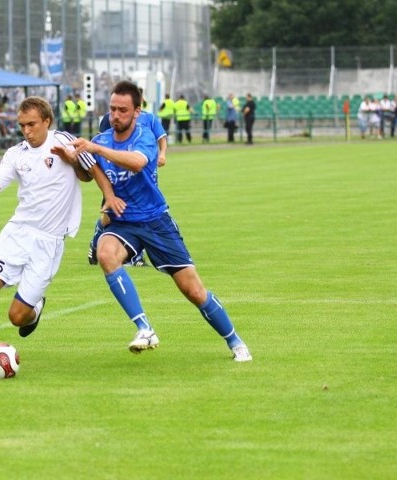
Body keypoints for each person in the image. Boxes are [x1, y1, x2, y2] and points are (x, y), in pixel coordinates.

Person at [56, 80, 252, 361]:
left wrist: (96, 151)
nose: (115, 115)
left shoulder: (143, 136)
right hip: (124, 222)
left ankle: (235, 341)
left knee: (193, 291)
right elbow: (89, 174)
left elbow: (136, 162)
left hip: (155, 221)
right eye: (112, 109)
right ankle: (144, 327)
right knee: (105, 253)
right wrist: (74, 161)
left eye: (123, 110)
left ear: (137, 111)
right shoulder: (101, 140)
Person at [0, 96, 124, 368]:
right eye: (22, 125)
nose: (26, 130)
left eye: (32, 124)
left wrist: (75, 165)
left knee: (17, 317)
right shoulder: (16, 153)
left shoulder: (64, 140)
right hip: (18, 232)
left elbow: (89, 172)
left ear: (47, 121)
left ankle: (35, 309)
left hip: (49, 242)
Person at [90, 102, 168, 266]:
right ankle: (125, 253)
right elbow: (103, 145)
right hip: (117, 178)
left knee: (138, 212)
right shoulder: (110, 121)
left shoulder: (149, 119)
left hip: (145, 174)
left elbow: (161, 137)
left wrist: (162, 154)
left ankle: (103, 245)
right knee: (115, 214)